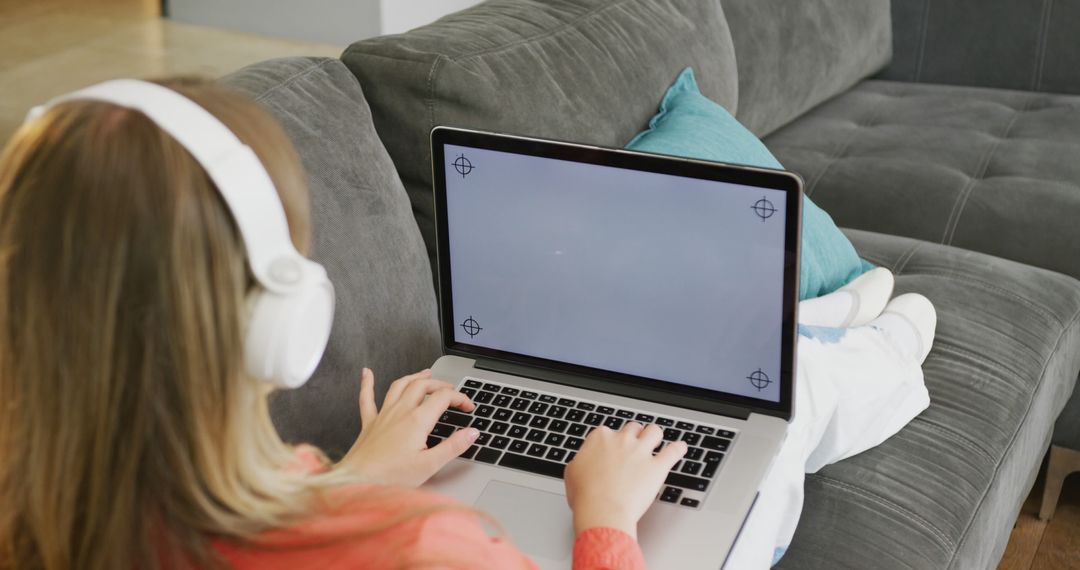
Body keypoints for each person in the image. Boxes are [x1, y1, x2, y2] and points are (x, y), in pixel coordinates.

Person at [0, 77, 937, 570]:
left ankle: (828, 316)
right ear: (279, 319)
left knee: (782, 368)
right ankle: (879, 339)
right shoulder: (428, 548)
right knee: (796, 403)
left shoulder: (39, 527)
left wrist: (351, 478)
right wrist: (603, 517)